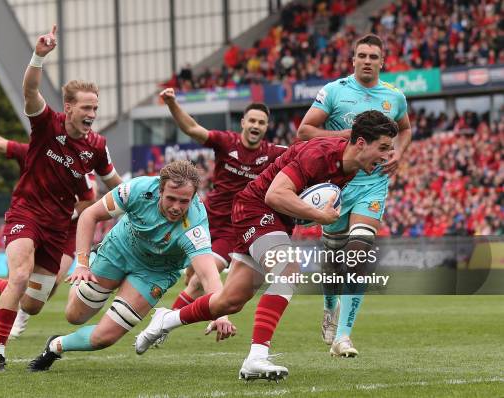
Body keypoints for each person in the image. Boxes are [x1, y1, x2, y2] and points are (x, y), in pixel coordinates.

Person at [135, 110, 399, 381]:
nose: (387, 156)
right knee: (288, 270)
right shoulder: (321, 155)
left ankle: (166, 319)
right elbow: (276, 194)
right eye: (383, 148)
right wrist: (319, 215)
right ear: (361, 143)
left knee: (230, 301)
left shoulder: (352, 168)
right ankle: (256, 358)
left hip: (275, 219)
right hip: (255, 208)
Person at [0, 24, 123, 372]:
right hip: (26, 212)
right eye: (86, 108)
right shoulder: (46, 125)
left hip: (58, 226)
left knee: (34, 304)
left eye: (95, 108)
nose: (92, 115)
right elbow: (30, 89)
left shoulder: (96, 146)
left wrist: (138, 200)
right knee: (20, 276)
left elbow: (113, 183)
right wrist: (39, 54)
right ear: (68, 106)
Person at [27, 160, 234, 371]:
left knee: (104, 338)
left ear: (193, 198)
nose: (176, 207)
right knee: (75, 315)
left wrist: (221, 314)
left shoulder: (195, 224)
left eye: (184, 201)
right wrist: (81, 264)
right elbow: (90, 215)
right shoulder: (138, 189)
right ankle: (96, 266)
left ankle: (55, 346)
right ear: (159, 190)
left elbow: (209, 275)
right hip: (119, 250)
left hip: (155, 272)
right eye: (171, 198)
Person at [297, 34, 412, 357]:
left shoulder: (394, 97)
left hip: (373, 185)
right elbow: (305, 131)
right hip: (338, 185)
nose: (366, 61)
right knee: (334, 262)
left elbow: (405, 129)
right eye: (361, 55)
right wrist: (349, 137)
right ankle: (329, 307)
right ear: (353, 60)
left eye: (373, 56)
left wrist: (399, 153)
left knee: (358, 256)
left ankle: (343, 338)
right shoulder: (335, 91)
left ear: (382, 61)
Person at [0, 113, 98, 337]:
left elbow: (92, 197)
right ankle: (12, 323)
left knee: (51, 283)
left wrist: (62, 216)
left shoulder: (87, 154)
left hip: (66, 229)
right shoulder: (34, 151)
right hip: (32, 219)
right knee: (21, 273)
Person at [159, 88, 286, 314]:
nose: (256, 126)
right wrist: (171, 103)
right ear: (243, 122)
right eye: (253, 121)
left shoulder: (275, 153)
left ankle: (164, 323)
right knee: (191, 276)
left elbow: (304, 149)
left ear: (267, 127)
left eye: (262, 122)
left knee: (200, 280)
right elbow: (192, 129)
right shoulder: (227, 142)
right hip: (204, 219)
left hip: (232, 228)